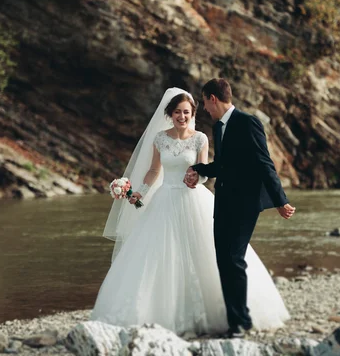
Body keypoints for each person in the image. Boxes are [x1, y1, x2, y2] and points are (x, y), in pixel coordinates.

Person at [91, 87, 289, 336]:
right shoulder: (160, 139)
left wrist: (197, 177)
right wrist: (140, 191)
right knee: (158, 256)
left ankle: (232, 316)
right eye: (177, 112)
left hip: (193, 200)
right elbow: (154, 171)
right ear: (170, 114)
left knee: (214, 256)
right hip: (164, 200)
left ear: (193, 113)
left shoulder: (202, 138)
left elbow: (205, 172)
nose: (181, 116)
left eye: (186, 112)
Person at [186, 78, 296, 338]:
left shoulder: (248, 122)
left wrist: (280, 200)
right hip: (223, 201)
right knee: (224, 260)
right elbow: (222, 165)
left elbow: (264, 163)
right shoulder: (218, 127)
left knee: (234, 260)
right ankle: (237, 318)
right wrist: (197, 169)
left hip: (245, 205)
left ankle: (239, 322)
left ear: (213, 98)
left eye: (204, 102)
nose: (204, 108)